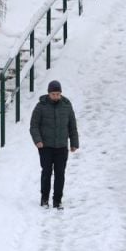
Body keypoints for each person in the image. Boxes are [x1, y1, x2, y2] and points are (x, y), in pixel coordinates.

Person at [30, 80, 79, 208]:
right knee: (46, 172)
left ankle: (57, 200)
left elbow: (72, 126)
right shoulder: (41, 106)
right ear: (49, 93)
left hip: (62, 146)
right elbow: (34, 126)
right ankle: (44, 199)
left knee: (60, 173)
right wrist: (38, 141)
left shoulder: (67, 106)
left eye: (58, 94)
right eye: (53, 94)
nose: (56, 96)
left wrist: (74, 142)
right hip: (45, 146)